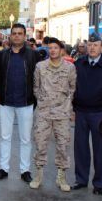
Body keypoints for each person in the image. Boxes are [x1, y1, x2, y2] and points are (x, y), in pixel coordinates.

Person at [72, 33, 102, 194]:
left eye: (96, 45)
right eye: (90, 45)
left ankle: (99, 183)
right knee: (80, 148)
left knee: (100, 150)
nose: (92, 48)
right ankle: (81, 179)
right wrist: (73, 108)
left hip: (100, 114)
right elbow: (73, 88)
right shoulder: (79, 64)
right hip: (81, 112)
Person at [0, 23, 40, 183]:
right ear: (10, 36)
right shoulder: (2, 56)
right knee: (5, 137)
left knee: (26, 138)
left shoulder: (34, 56)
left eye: (20, 33)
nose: (17, 36)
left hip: (26, 102)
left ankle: (25, 170)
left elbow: (38, 78)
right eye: (14, 33)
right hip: (5, 102)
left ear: (25, 36)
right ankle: (3, 168)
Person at [30, 37, 76, 191]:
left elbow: (73, 88)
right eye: (50, 48)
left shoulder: (69, 68)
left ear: (61, 50)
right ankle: (38, 174)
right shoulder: (40, 67)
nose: (53, 50)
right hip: (44, 112)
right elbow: (36, 87)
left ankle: (61, 177)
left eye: (56, 48)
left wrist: (65, 105)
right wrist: (44, 101)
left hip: (62, 114)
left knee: (63, 146)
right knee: (40, 144)